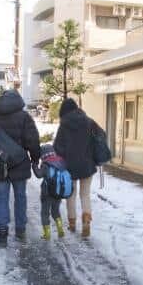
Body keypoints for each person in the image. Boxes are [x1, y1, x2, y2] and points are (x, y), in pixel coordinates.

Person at [0, 89, 40, 245]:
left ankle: (2, 231)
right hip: (19, 163)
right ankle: (20, 230)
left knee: (1, 198)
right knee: (20, 197)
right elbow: (32, 140)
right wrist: (35, 159)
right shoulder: (24, 117)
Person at [54, 98, 98, 238]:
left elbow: (57, 147)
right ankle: (86, 222)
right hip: (87, 165)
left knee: (71, 195)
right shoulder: (89, 122)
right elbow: (100, 137)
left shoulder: (64, 125)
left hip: (70, 166)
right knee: (85, 195)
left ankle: (72, 224)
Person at [32, 144, 66, 240]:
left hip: (47, 194)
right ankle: (60, 229)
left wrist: (34, 166)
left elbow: (39, 175)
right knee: (55, 211)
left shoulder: (46, 164)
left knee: (45, 213)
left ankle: (47, 234)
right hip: (58, 193)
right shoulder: (60, 162)